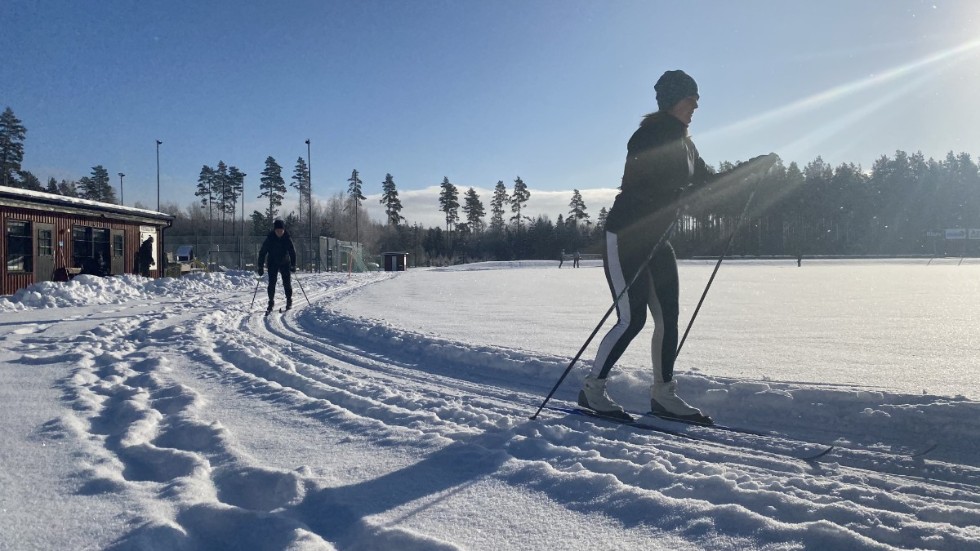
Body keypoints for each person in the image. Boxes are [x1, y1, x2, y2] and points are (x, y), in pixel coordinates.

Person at [578, 70, 776, 424]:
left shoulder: (687, 144)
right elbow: (639, 186)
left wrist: (752, 168)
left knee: (668, 317)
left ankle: (663, 396)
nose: (696, 104)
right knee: (631, 318)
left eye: (697, 98)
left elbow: (707, 184)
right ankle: (592, 390)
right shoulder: (647, 136)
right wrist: (676, 196)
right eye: (690, 98)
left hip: (659, 237)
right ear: (672, 100)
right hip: (627, 235)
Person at [257, 219, 297, 313]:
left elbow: (292, 252)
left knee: (287, 283)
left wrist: (293, 265)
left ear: (284, 230)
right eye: (277, 230)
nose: (279, 232)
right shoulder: (270, 238)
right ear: (274, 230)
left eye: (281, 230)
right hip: (272, 262)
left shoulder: (287, 238)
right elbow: (262, 252)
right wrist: (260, 266)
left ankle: (289, 300)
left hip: (285, 262)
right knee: (271, 283)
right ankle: (271, 302)